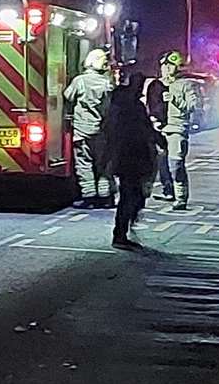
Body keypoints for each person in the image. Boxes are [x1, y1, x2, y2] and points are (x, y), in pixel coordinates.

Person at [101, 75, 166, 248]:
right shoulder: (133, 106)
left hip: (124, 156)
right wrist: (158, 139)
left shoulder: (119, 105)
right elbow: (143, 129)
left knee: (129, 194)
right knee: (132, 195)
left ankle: (123, 230)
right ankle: (121, 233)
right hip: (133, 156)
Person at [146, 51, 199, 210]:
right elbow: (151, 105)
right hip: (160, 129)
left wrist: (175, 99)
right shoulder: (156, 85)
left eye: (170, 66)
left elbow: (193, 106)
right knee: (160, 163)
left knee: (176, 164)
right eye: (165, 66)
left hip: (177, 129)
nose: (167, 69)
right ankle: (168, 191)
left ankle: (181, 198)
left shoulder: (187, 85)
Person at [63, 48, 115, 208]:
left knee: (84, 164)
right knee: (103, 165)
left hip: (82, 131)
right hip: (101, 131)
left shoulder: (80, 81)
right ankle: (105, 197)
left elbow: (67, 96)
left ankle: (89, 197)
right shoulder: (107, 83)